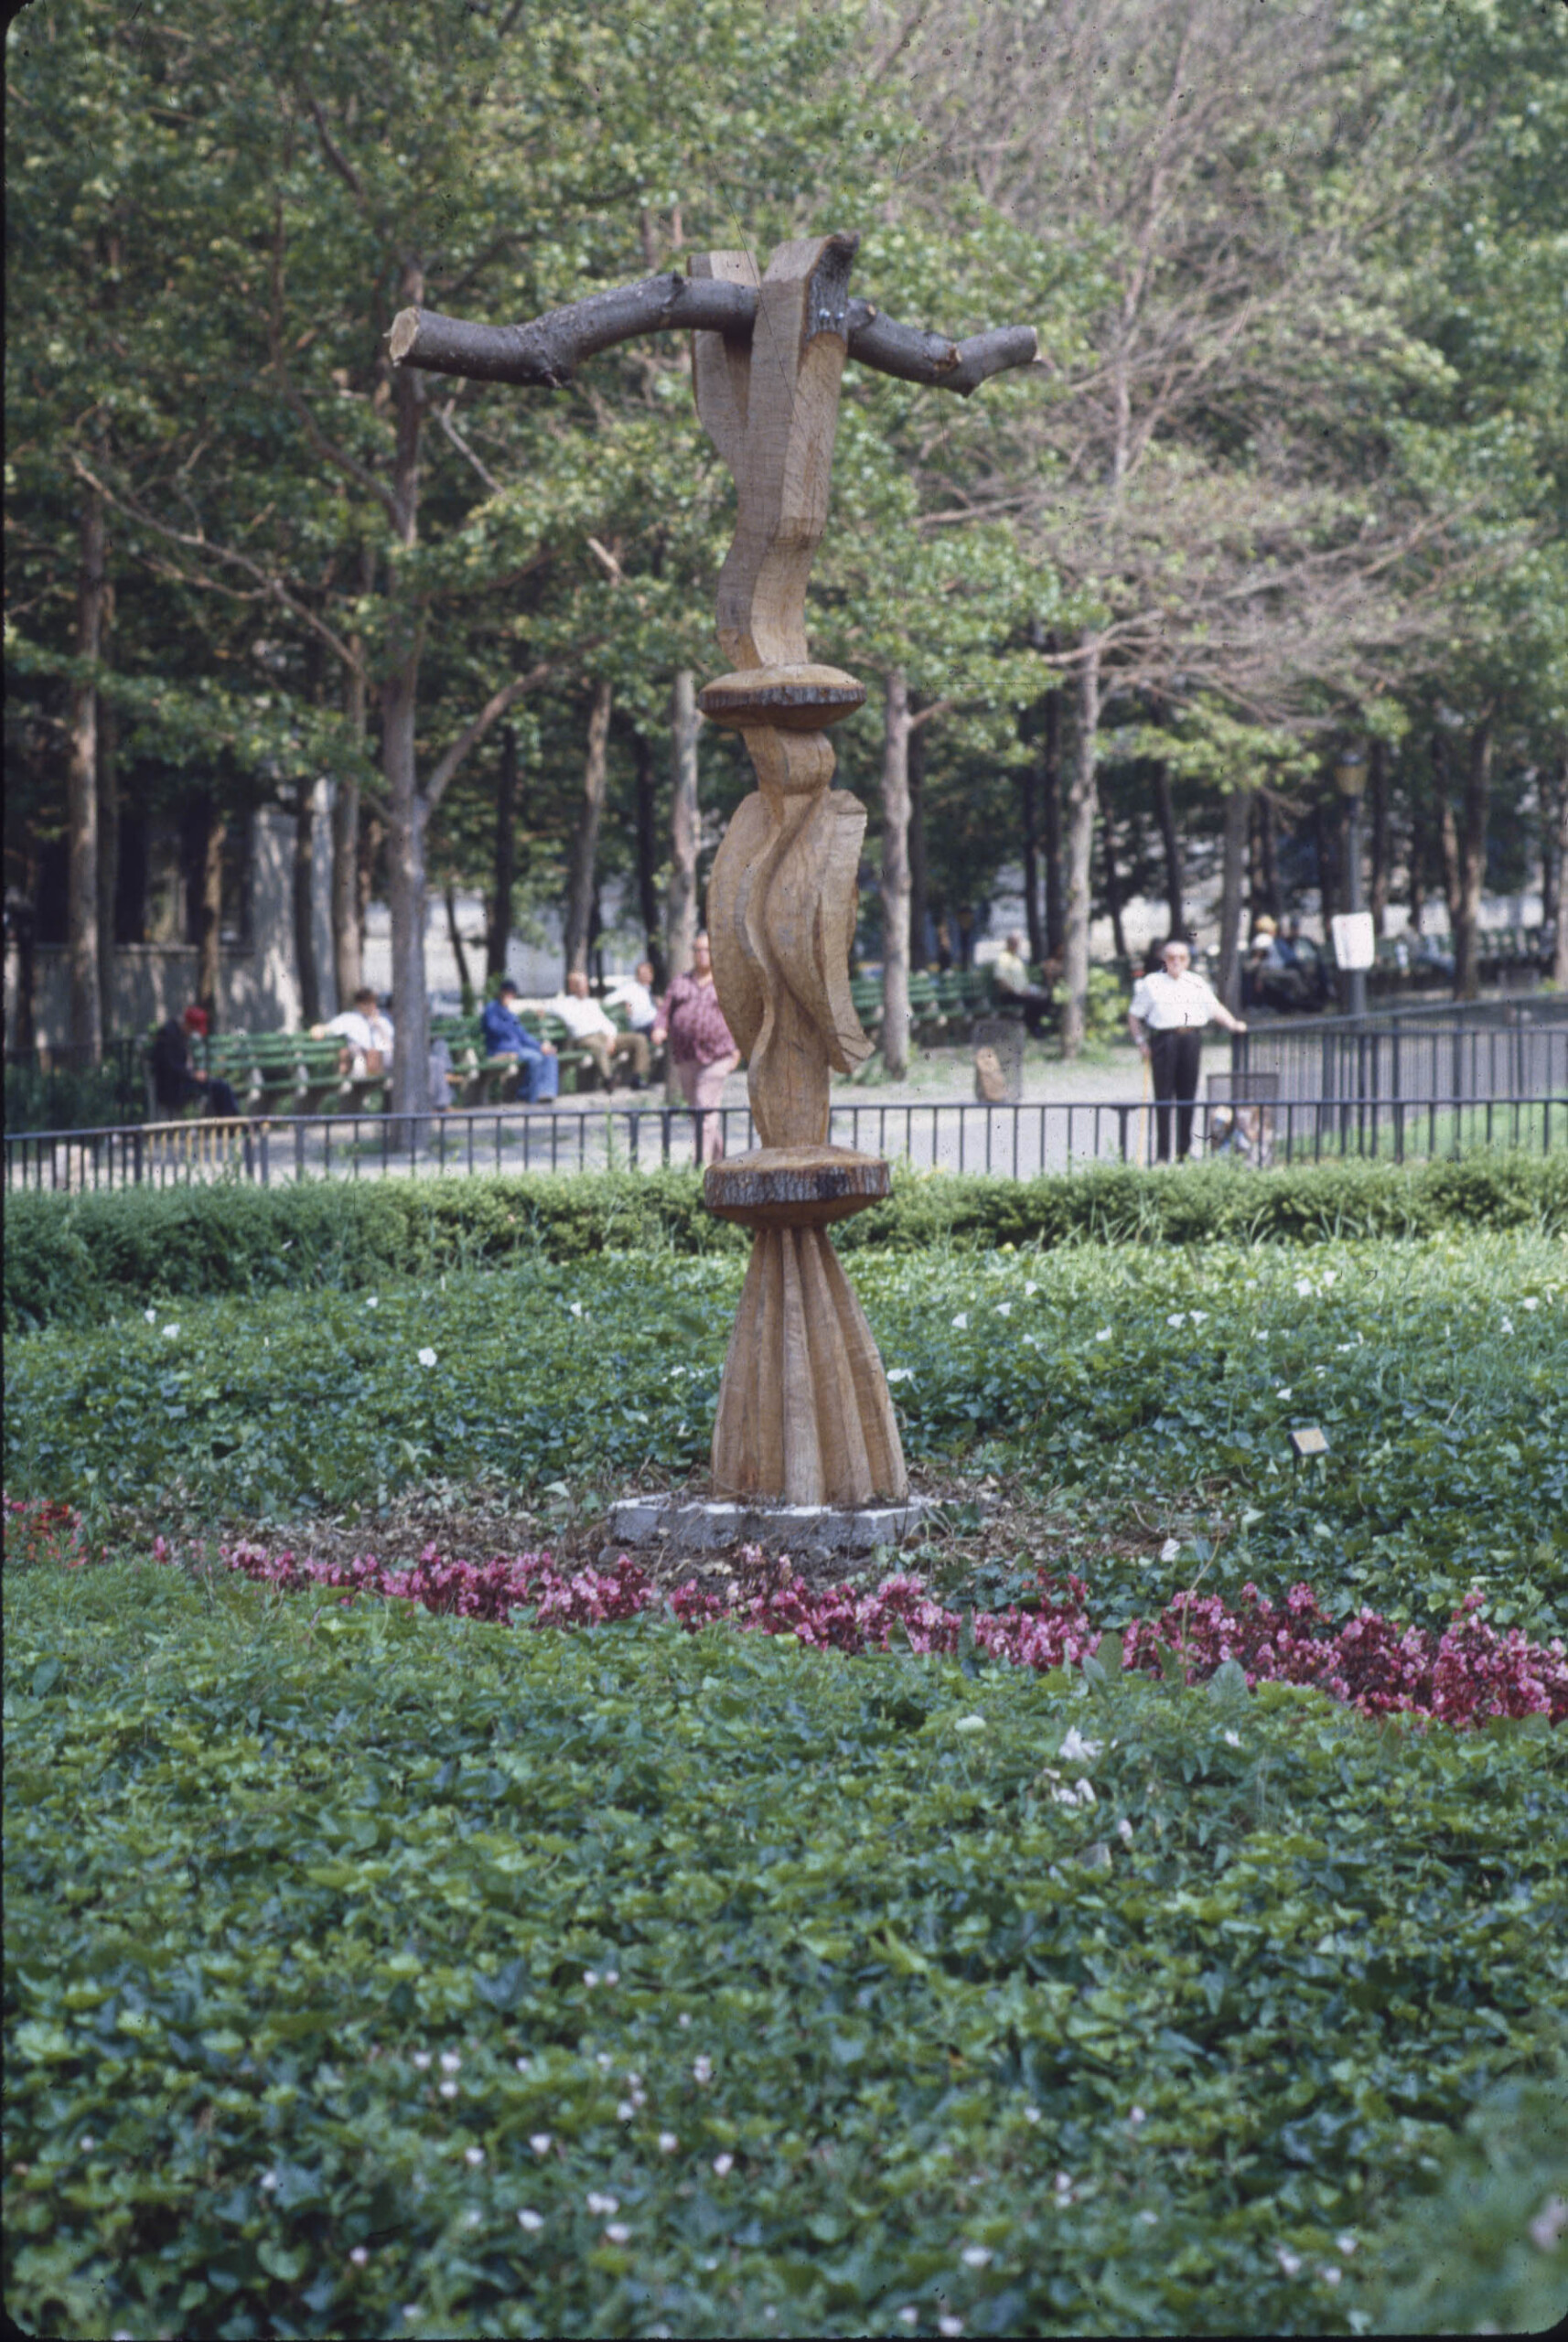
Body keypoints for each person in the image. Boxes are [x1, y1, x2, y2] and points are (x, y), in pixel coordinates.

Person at [1128, 935, 1248, 1165]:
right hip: (1164, 1040)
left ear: (1187, 961)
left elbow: (1214, 1008)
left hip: (1190, 1039)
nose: (1176, 962)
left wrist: (1233, 1024)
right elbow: (1134, 1016)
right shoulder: (1151, 983)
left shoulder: (1196, 981)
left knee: (1188, 1096)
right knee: (1163, 1098)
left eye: (1181, 958)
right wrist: (1141, 1042)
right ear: (1164, 959)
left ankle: (1183, 1153)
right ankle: (1163, 1155)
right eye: (1171, 957)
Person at [651, 929, 740, 1164]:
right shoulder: (680, 982)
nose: (702, 954)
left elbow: (739, 1017)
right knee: (698, 1111)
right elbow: (665, 1011)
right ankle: (720, 1159)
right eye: (698, 950)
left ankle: (700, 1164)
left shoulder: (726, 982)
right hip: (686, 1056)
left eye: (707, 950)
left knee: (704, 1107)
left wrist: (738, 1048)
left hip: (717, 1056)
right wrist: (659, 1028)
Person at [548, 970, 651, 1090]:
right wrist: (542, 1011)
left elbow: (606, 1023)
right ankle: (608, 1080)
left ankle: (637, 1077)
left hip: (605, 1036)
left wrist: (611, 1038)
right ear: (572, 986)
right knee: (599, 1047)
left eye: (584, 983)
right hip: (586, 1038)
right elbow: (547, 1007)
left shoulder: (591, 1003)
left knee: (639, 1039)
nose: (583, 987)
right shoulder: (564, 1005)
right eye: (579, 984)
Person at [149, 1004, 242, 1119]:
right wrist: (193, 1074)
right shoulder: (168, 1034)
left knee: (222, 1087)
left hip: (183, 1082)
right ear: (188, 1024)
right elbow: (170, 1066)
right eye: (193, 1029)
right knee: (220, 1087)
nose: (193, 1033)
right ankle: (233, 1125)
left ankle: (232, 1124)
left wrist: (194, 1073)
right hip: (174, 1087)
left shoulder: (179, 1033)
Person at [480, 979, 559, 1103]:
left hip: (517, 1049)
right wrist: (509, 1024)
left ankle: (546, 1092)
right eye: (507, 993)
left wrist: (540, 1046)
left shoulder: (510, 1014)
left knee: (549, 1055)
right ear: (501, 993)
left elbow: (523, 1035)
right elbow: (492, 1028)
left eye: (512, 994)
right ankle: (530, 1096)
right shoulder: (492, 1009)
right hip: (501, 1050)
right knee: (536, 1058)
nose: (510, 997)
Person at [312, 986, 393, 1077]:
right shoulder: (350, 1019)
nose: (372, 1006)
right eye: (367, 1002)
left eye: (373, 1002)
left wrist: (378, 1025)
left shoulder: (382, 1021)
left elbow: (390, 1042)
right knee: (358, 1060)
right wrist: (318, 1029)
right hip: (363, 1060)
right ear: (359, 1004)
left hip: (385, 1061)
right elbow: (328, 1028)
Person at [992, 930, 1053, 1037]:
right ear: (1008, 943)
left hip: (1023, 991)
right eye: (1014, 943)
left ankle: (1035, 1025)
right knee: (1036, 1001)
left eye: (1017, 943)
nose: (1016, 946)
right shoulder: (1002, 958)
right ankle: (1033, 1028)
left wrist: (1028, 990)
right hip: (1010, 995)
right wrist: (1017, 992)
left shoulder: (1016, 958)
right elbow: (1000, 981)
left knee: (1047, 997)